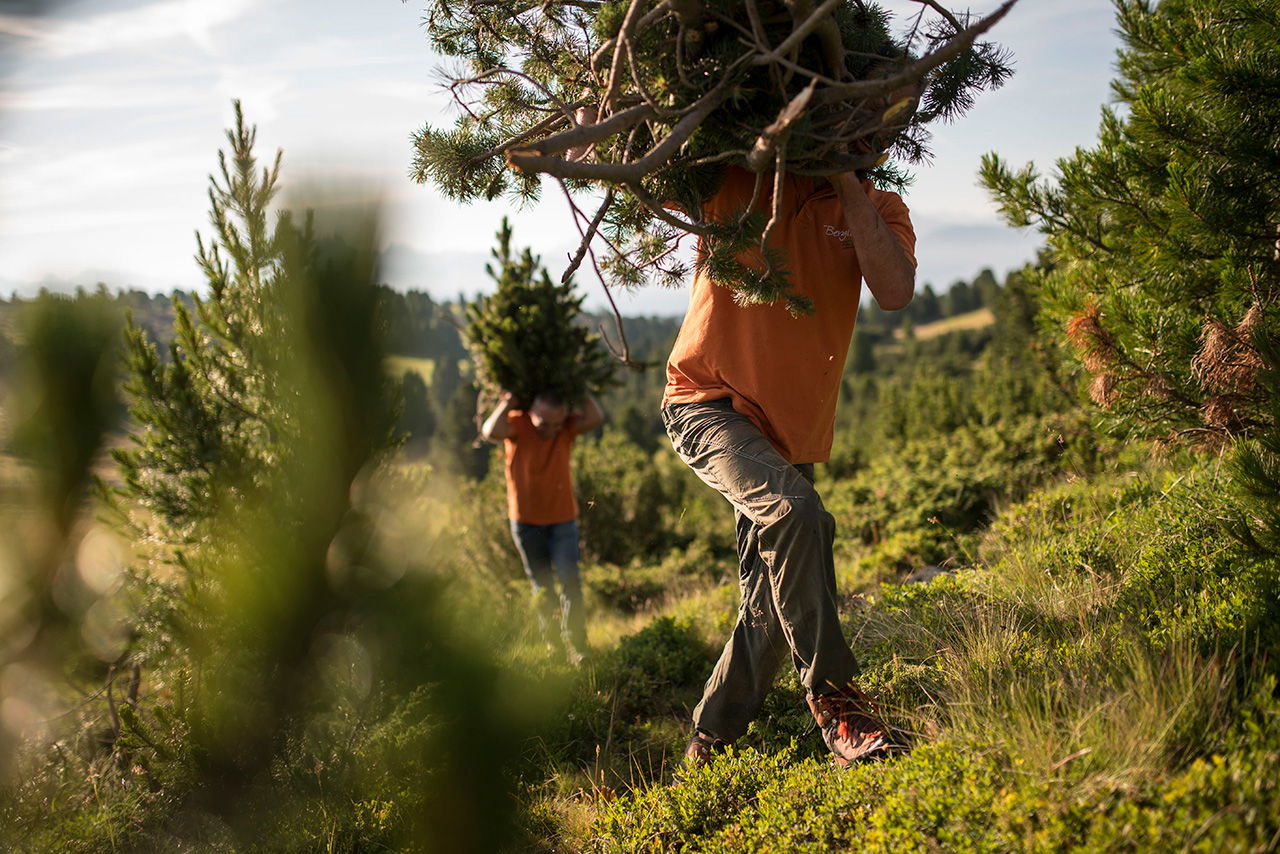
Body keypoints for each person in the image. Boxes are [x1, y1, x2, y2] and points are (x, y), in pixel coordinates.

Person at [662, 164, 916, 769]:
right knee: (798, 512)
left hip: (792, 438)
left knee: (776, 602)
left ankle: (710, 740)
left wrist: (849, 184)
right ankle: (837, 704)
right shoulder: (735, 180)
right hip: (707, 403)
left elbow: (895, 290)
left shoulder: (878, 209)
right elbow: (643, 171)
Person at [481, 389, 604, 664]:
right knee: (543, 587)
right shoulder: (517, 423)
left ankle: (578, 647)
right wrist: (507, 402)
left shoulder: (566, 427)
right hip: (525, 522)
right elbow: (489, 431)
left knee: (570, 580)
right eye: (544, 424)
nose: (551, 430)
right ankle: (554, 648)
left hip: (563, 520)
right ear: (531, 413)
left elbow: (596, 416)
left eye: (557, 423)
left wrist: (578, 386)